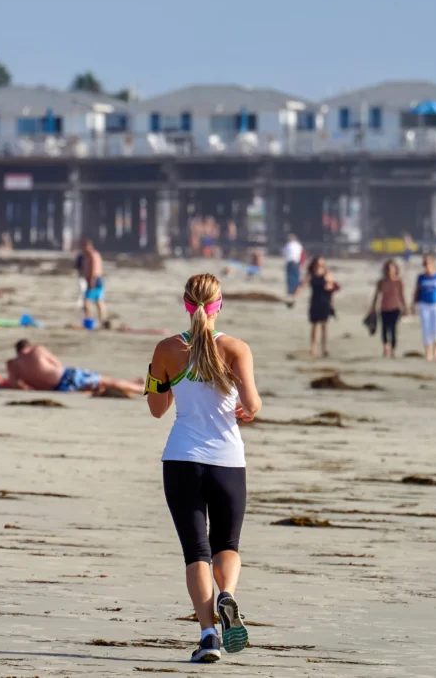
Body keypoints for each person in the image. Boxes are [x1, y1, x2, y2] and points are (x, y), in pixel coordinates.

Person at [145, 273, 262, 664]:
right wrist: (244, 409)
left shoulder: (165, 349)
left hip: (181, 460)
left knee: (195, 552)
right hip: (227, 462)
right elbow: (252, 404)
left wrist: (157, 375)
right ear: (219, 305)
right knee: (226, 546)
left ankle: (208, 634)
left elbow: (157, 410)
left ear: (185, 304)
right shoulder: (236, 348)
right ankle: (226, 593)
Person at [2, 339, 143, 395]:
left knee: (100, 386)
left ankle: (134, 383)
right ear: (29, 346)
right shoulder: (37, 350)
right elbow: (57, 364)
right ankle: (141, 388)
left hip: (59, 389)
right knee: (106, 380)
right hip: (67, 376)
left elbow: (15, 384)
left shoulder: (13, 364)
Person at [295, 257, 340, 357]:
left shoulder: (327, 274)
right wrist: (295, 296)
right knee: (314, 326)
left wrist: (329, 282)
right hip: (315, 302)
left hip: (325, 302)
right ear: (314, 264)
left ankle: (324, 348)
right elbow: (302, 285)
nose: (319, 266)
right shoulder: (310, 275)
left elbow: (331, 289)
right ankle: (313, 347)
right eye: (318, 264)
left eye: (321, 264)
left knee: (324, 326)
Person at [368, 260, 407, 358]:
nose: (389, 271)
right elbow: (376, 295)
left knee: (393, 329)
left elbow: (401, 295)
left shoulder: (399, 282)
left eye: (391, 269)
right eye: (388, 269)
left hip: (395, 308)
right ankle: (386, 347)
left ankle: (393, 349)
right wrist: (373, 307)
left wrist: (405, 307)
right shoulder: (381, 282)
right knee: (384, 329)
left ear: (395, 270)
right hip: (384, 308)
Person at [81, 239, 107, 326]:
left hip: (94, 280)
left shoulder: (92, 255)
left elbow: (94, 269)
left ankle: (89, 321)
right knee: (99, 300)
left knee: (86, 302)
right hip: (98, 279)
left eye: (83, 246)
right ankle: (103, 321)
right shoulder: (94, 255)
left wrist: (91, 280)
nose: (82, 249)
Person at [282, 233, 304, 300]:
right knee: (296, 276)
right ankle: (295, 289)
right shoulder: (298, 245)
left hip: (289, 262)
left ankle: (290, 289)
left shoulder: (287, 245)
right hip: (296, 262)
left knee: (289, 276)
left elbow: (284, 253)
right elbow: (301, 253)